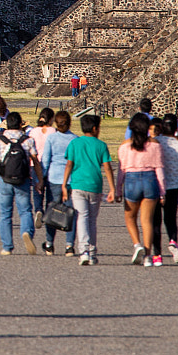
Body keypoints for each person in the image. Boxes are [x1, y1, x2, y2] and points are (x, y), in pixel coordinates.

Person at [61, 114, 116, 266]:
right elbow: (107, 167)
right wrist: (112, 188)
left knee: (82, 218)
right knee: (92, 220)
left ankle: (84, 250)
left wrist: (64, 184)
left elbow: (69, 165)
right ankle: (91, 250)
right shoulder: (101, 145)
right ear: (94, 128)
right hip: (95, 186)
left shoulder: (75, 143)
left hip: (78, 185)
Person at [118, 113, 166, 266]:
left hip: (132, 180)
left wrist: (118, 189)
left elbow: (121, 170)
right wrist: (162, 192)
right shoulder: (155, 145)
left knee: (130, 218)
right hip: (150, 180)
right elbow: (160, 171)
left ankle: (137, 244)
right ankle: (148, 255)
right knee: (147, 221)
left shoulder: (125, 146)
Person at [0, 112, 39, 255]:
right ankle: (27, 232)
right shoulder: (28, 140)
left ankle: (7, 246)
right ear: (20, 125)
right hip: (23, 179)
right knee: (25, 210)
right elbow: (35, 161)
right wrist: (39, 180)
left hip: (5, 179)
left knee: (5, 213)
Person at [38, 110, 76, 254]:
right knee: (70, 212)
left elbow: (46, 160)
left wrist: (42, 177)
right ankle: (69, 245)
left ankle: (49, 243)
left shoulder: (52, 138)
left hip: (54, 178)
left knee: (52, 211)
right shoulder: (75, 139)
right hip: (70, 180)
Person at [155, 116, 178, 262]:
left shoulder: (157, 143)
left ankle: (157, 254)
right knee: (170, 217)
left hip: (156, 184)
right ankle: (173, 240)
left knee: (156, 220)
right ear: (176, 128)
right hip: (173, 185)